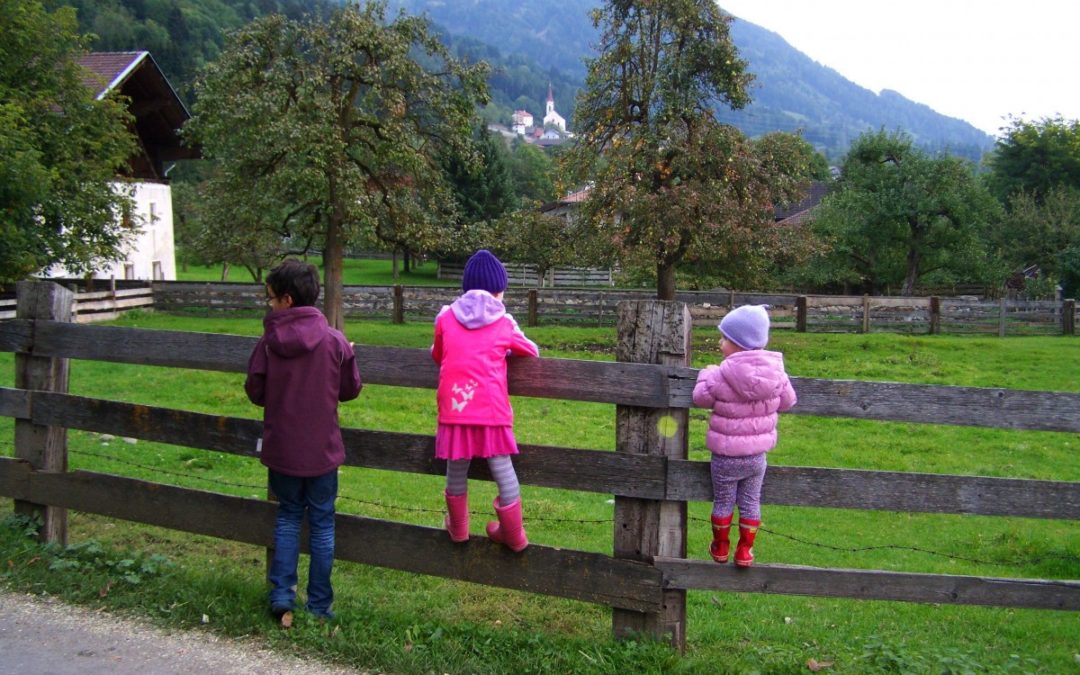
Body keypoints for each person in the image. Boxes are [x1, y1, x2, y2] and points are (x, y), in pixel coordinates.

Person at [244, 259, 362, 623]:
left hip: (283, 451)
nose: (269, 305)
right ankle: (319, 605)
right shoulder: (334, 342)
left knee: (288, 518)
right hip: (323, 452)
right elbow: (350, 390)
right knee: (323, 524)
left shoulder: (268, 343)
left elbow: (255, 391)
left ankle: (282, 595)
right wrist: (349, 354)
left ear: (288, 300)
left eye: (272, 299)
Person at [431, 249, 539, 552]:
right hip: (491, 410)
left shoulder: (445, 317)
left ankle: (459, 529)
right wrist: (503, 351)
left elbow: (437, 354)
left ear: (465, 287)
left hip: (455, 407)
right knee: (504, 471)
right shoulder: (504, 322)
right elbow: (531, 351)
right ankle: (514, 535)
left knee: (456, 470)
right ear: (500, 290)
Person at [692, 304, 796, 567]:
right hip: (756, 458)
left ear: (738, 343)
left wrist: (704, 374)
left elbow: (700, 398)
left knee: (724, 501)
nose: (720, 342)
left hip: (726, 458)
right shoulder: (777, 374)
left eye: (725, 338)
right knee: (751, 502)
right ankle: (745, 551)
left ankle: (720, 546)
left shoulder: (719, 374)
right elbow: (788, 401)